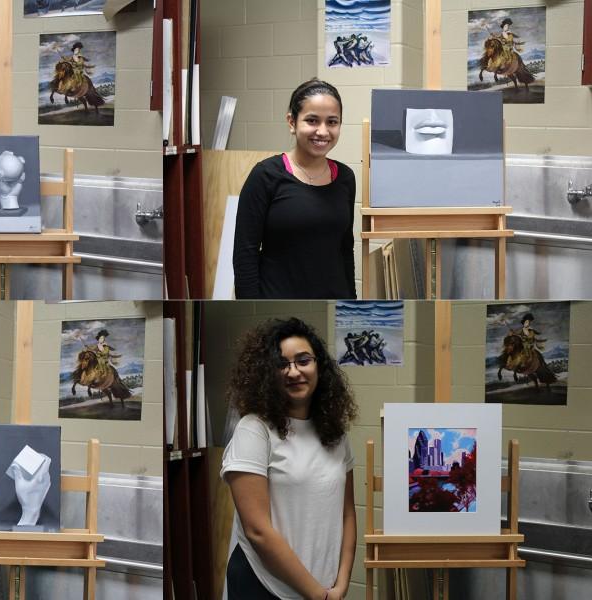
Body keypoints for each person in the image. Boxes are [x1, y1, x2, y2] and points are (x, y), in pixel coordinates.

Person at [222, 318, 358, 599]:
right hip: (265, 586)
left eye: (303, 360)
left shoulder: (335, 433)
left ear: (319, 366)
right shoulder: (254, 429)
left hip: (325, 589)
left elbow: (347, 514)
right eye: (281, 364)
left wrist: (341, 583)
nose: (293, 372)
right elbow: (257, 530)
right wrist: (317, 595)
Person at [233, 79, 356, 299]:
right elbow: (245, 254)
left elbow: (345, 249)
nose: (322, 131)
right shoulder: (265, 176)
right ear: (292, 122)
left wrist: (352, 301)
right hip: (276, 297)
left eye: (332, 122)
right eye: (312, 120)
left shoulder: (346, 178)